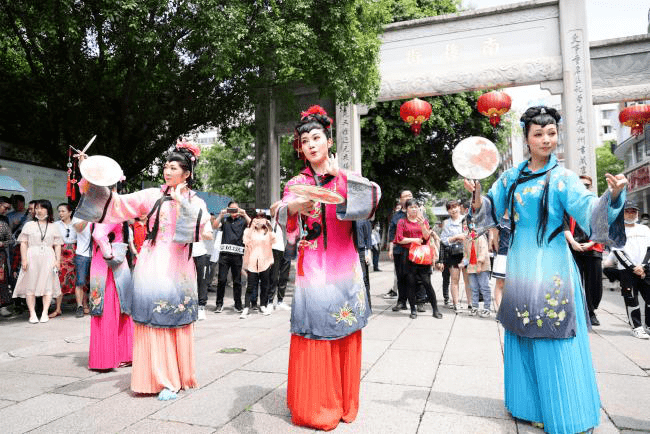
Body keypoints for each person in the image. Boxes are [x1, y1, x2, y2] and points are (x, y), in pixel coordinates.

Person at [464, 105, 627, 433]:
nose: (546, 139)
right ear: (526, 138)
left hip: (552, 264)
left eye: (551, 133)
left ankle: (568, 410)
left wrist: (612, 197)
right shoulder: (510, 178)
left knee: (554, 333)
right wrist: (478, 196)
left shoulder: (564, 178)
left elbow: (588, 212)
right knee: (522, 330)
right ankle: (527, 405)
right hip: (522, 263)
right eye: (538, 134)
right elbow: (487, 216)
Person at [75, 141, 210, 400]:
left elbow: (203, 232)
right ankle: (157, 378)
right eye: (166, 166)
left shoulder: (196, 202)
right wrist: (91, 173)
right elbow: (115, 204)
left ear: (187, 173)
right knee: (151, 320)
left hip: (179, 267)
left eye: (174, 167)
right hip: (152, 264)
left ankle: (175, 378)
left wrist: (182, 202)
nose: (167, 171)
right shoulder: (151, 196)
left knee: (175, 320)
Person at [278, 105, 380, 430]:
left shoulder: (346, 178)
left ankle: (344, 402)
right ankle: (316, 406)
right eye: (305, 140)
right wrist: (294, 206)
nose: (310, 144)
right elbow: (281, 213)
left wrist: (339, 179)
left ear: (328, 140)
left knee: (343, 328)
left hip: (343, 266)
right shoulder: (296, 182)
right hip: (312, 268)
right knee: (314, 330)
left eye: (316, 137)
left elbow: (372, 202)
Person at [88, 221, 134, 369]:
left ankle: (107, 357)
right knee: (115, 307)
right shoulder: (112, 214)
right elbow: (99, 235)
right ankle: (120, 355)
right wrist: (108, 254)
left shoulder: (102, 215)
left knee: (107, 307)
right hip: (112, 265)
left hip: (102, 263)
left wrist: (106, 253)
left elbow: (97, 234)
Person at [12, 200, 63, 323]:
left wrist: (58, 261)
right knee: (31, 285)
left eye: (42, 208)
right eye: (37, 208)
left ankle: (45, 312)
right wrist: (24, 259)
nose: (39, 210)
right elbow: (23, 243)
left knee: (47, 285)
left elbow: (57, 245)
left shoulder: (54, 226)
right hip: (32, 256)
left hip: (48, 257)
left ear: (48, 210)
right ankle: (32, 314)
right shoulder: (29, 225)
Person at [564, 175, 604, 326]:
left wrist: (591, 243)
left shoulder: (597, 204)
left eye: (587, 185)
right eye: (581, 185)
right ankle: (581, 312)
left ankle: (591, 309)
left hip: (593, 247)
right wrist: (572, 242)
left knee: (595, 284)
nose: (584, 188)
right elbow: (564, 225)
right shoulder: (568, 205)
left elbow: (602, 227)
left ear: (591, 187)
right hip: (574, 247)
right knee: (575, 282)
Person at [394, 198, 442, 319]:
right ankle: (413, 309)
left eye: (416, 207)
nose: (414, 209)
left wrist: (422, 225)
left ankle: (435, 309)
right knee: (410, 282)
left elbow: (426, 236)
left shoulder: (423, 220)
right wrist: (414, 240)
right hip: (408, 254)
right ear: (406, 209)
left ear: (418, 208)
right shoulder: (402, 222)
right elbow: (399, 239)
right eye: (411, 207)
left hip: (422, 255)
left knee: (427, 282)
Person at [611, 201, 650, 339]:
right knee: (631, 299)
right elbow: (618, 253)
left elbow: (649, 249)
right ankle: (637, 327)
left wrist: (643, 266)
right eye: (627, 211)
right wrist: (633, 268)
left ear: (637, 213)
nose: (631, 213)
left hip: (646, 269)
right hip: (627, 271)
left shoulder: (645, 229)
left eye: (633, 211)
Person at [213, 201, 250, 313]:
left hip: (237, 255)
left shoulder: (242, 221)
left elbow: (251, 224)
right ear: (228, 210)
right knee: (222, 280)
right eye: (231, 209)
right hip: (224, 255)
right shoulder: (225, 220)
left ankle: (238, 304)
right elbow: (214, 226)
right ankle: (219, 304)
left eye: (236, 209)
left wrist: (244, 213)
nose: (234, 212)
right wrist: (221, 214)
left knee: (237, 281)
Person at [241, 211, 276, 318]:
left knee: (265, 285)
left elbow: (274, 240)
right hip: (252, 261)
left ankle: (263, 305)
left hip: (265, 261)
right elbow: (245, 240)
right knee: (250, 285)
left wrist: (269, 226)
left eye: (262, 218)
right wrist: (252, 226)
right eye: (258, 218)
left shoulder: (267, 232)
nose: (260, 220)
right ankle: (246, 307)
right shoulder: (248, 231)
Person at [48, 203, 77, 318]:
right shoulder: (55, 225)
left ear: (70, 212)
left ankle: (82, 304)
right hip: (60, 252)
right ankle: (58, 308)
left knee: (78, 278)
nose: (60, 213)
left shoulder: (76, 224)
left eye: (63, 211)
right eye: (59, 211)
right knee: (59, 279)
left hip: (74, 252)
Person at [460, 219, 491, 317]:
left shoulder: (480, 237)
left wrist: (479, 265)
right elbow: (466, 254)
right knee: (473, 288)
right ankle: (475, 307)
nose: (466, 227)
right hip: (471, 267)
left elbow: (483, 252)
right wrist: (463, 262)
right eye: (464, 225)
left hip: (482, 266)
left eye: (467, 225)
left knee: (484, 287)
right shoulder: (466, 239)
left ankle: (487, 308)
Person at [440, 200, 467, 313]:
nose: (453, 210)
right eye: (450, 208)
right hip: (453, 254)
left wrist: (462, 236)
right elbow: (444, 240)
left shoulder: (465, 219)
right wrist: (456, 237)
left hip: (466, 253)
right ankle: (456, 304)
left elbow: (471, 234)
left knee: (468, 280)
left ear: (459, 207)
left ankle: (471, 305)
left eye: (455, 207)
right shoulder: (446, 223)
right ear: (448, 211)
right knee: (454, 280)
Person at [388, 190, 412, 308]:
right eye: (406, 196)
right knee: (400, 276)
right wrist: (391, 249)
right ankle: (402, 301)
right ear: (400, 199)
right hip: (399, 250)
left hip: (414, 250)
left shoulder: (417, 212)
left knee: (414, 276)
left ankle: (419, 301)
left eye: (410, 196)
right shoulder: (396, 216)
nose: (408, 198)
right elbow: (392, 234)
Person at [268, 204, 291, 310]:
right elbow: (272, 208)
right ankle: (270, 301)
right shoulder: (275, 216)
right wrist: (284, 200)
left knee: (284, 277)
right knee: (273, 276)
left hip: (288, 248)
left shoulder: (291, 219)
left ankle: (280, 301)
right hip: (276, 248)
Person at [489, 210, 510, 311]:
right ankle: (499, 310)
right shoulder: (499, 220)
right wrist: (499, 252)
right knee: (500, 283)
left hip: (517, 256)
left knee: (513, 284)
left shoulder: (521, 218)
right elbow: (495, 238)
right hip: (503, 254)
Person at [72, 218, 92, 317]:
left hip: (97, 254)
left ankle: (95, 306)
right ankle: (79, 306)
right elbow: (79, 228)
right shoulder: (78, 216)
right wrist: (89, 217)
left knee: (96, 282)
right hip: (82, 254)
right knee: (80, 282)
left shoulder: (100, 215)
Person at [0, 197, 15, 317]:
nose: (6, 211)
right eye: (5, 208)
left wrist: (2, 243)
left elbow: (9, 239)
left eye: (8, 209)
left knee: (2, 280)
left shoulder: (4, 219)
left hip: (1, 255)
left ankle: (3, 306)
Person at [356, 218, 372, 309]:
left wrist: (368, 253)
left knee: (364, 279)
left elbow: (368, 238)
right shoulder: (346, 219)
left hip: (361, 252)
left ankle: (368, 306)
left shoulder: (363, 218)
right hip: (349, 252)